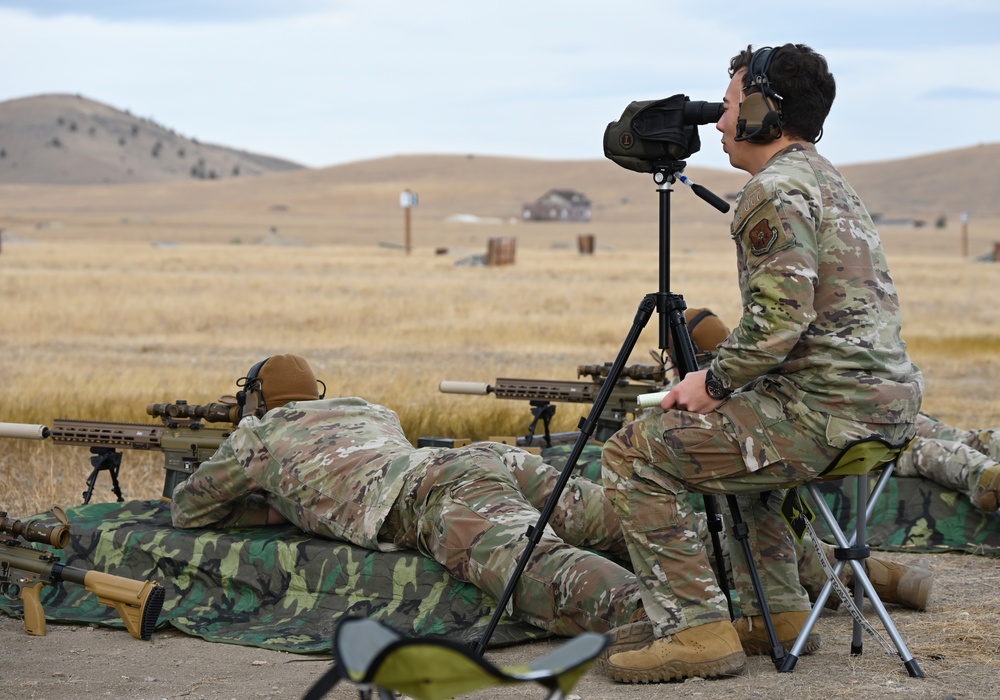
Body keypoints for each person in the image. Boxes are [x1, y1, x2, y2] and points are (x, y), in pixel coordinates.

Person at [170, 354, 931, 643]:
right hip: (488, 461)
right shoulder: (371, 409)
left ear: (260, 402)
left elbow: (192, 509)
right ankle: (830, 573)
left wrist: (260, 482)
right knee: (641, 521)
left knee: (546, 569)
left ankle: (674, 623)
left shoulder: (258, 439)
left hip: (436, 494)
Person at [600, 43, 925, 684]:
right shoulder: (827, 178)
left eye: (726, 108)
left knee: (635, 452)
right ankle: (772, 613)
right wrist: (732, 389)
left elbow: (780, 320)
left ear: (759, 113)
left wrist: (711, 381)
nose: (718, 124)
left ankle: (695, 632)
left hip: (828, 416)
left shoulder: (774, 191)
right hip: (879, 411)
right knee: (750, 440)